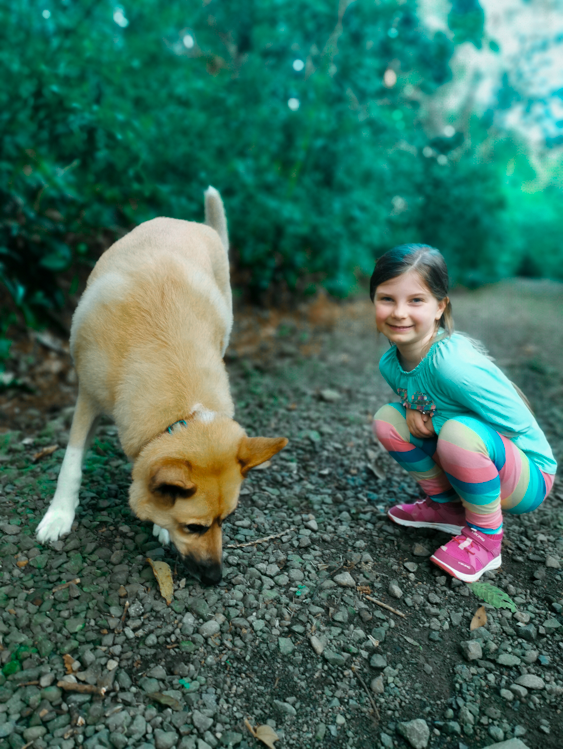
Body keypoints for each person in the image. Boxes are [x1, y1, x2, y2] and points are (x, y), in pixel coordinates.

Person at [370, 244, 557, 582]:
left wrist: (437, 419)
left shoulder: (453, 363)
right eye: (387, 298)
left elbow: (518, 424)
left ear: (440, 306)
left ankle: (486, 539)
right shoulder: (390, 363)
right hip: (480, 459)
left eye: (415, 300)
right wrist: (414, 407)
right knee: (388, 419)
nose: (399, 312)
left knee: (457, 432)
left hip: (528, 475)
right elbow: (425, 398)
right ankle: (448, 508)